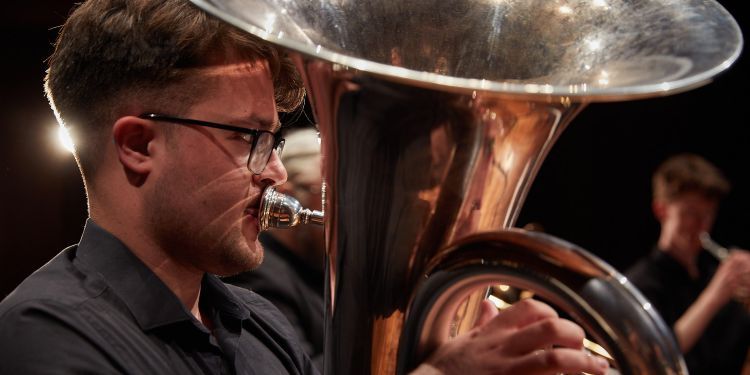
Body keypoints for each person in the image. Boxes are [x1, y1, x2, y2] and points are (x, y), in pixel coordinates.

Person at [0, 1, 609, 374]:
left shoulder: (261, 326)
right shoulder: (40, 334)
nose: (278, 172)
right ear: (138, 146)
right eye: (248, 138)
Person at [626, 153, 750, 374]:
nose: (701, 226)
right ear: (661, 210)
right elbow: (654, 358)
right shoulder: (640, 283)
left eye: (708, 214)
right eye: (690, 214)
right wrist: (714, 296)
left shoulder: (715, 276)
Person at [224, 127, 326, 370]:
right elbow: (295, 367)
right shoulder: (257, 273)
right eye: (324, 195)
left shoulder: (316, 264)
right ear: (285, 196)